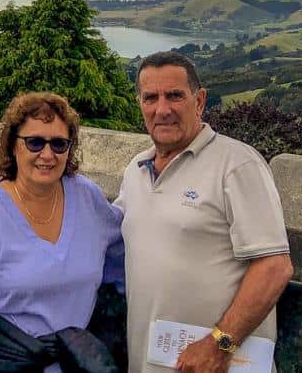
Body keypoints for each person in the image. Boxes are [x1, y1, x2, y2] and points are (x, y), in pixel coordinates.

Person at [0, 91, 126, 373]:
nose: (47, 154)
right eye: (34, 142)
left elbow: (126, 262)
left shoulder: (87, 198)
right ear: (13, 145)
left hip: (75, 363)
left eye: (58, 144)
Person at [116, 51, 292, 373]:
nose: (162, 109)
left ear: (199, 101)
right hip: (148, 363)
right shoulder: (135, 170)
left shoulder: (237, 164)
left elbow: (274, 267)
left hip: (218, 364)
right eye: (150, 97)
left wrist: (220, 344)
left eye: (174, 96)